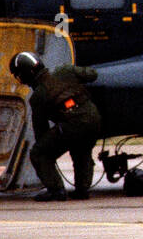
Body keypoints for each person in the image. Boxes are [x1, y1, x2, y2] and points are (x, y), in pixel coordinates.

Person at [10, 51, 103, 202]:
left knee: (39, 153)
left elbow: (41, 130)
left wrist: (47, 148)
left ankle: (56, 190)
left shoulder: (38, 96)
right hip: (94, 119)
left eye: (20, 75)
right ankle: (82, 190)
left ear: (27, 73)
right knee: (82, 150)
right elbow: (92, 75)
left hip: (72, 125)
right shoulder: (65, 70)